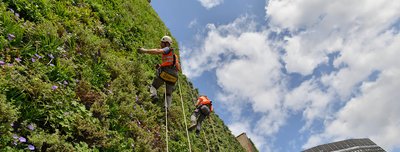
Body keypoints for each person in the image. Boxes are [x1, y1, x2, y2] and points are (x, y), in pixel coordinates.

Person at [137, 36, 180, 110]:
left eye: (162, 42)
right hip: (174, 76)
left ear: (166, 43)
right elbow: (171, 64)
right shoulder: (174, 56)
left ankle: (153, 95)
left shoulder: (167, 49)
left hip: (166, 72)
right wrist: (160, 66)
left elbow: (157, 51)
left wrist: (144, 51)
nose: (160, 44)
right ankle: (166, 108)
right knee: (168, 94)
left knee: (153, 86)